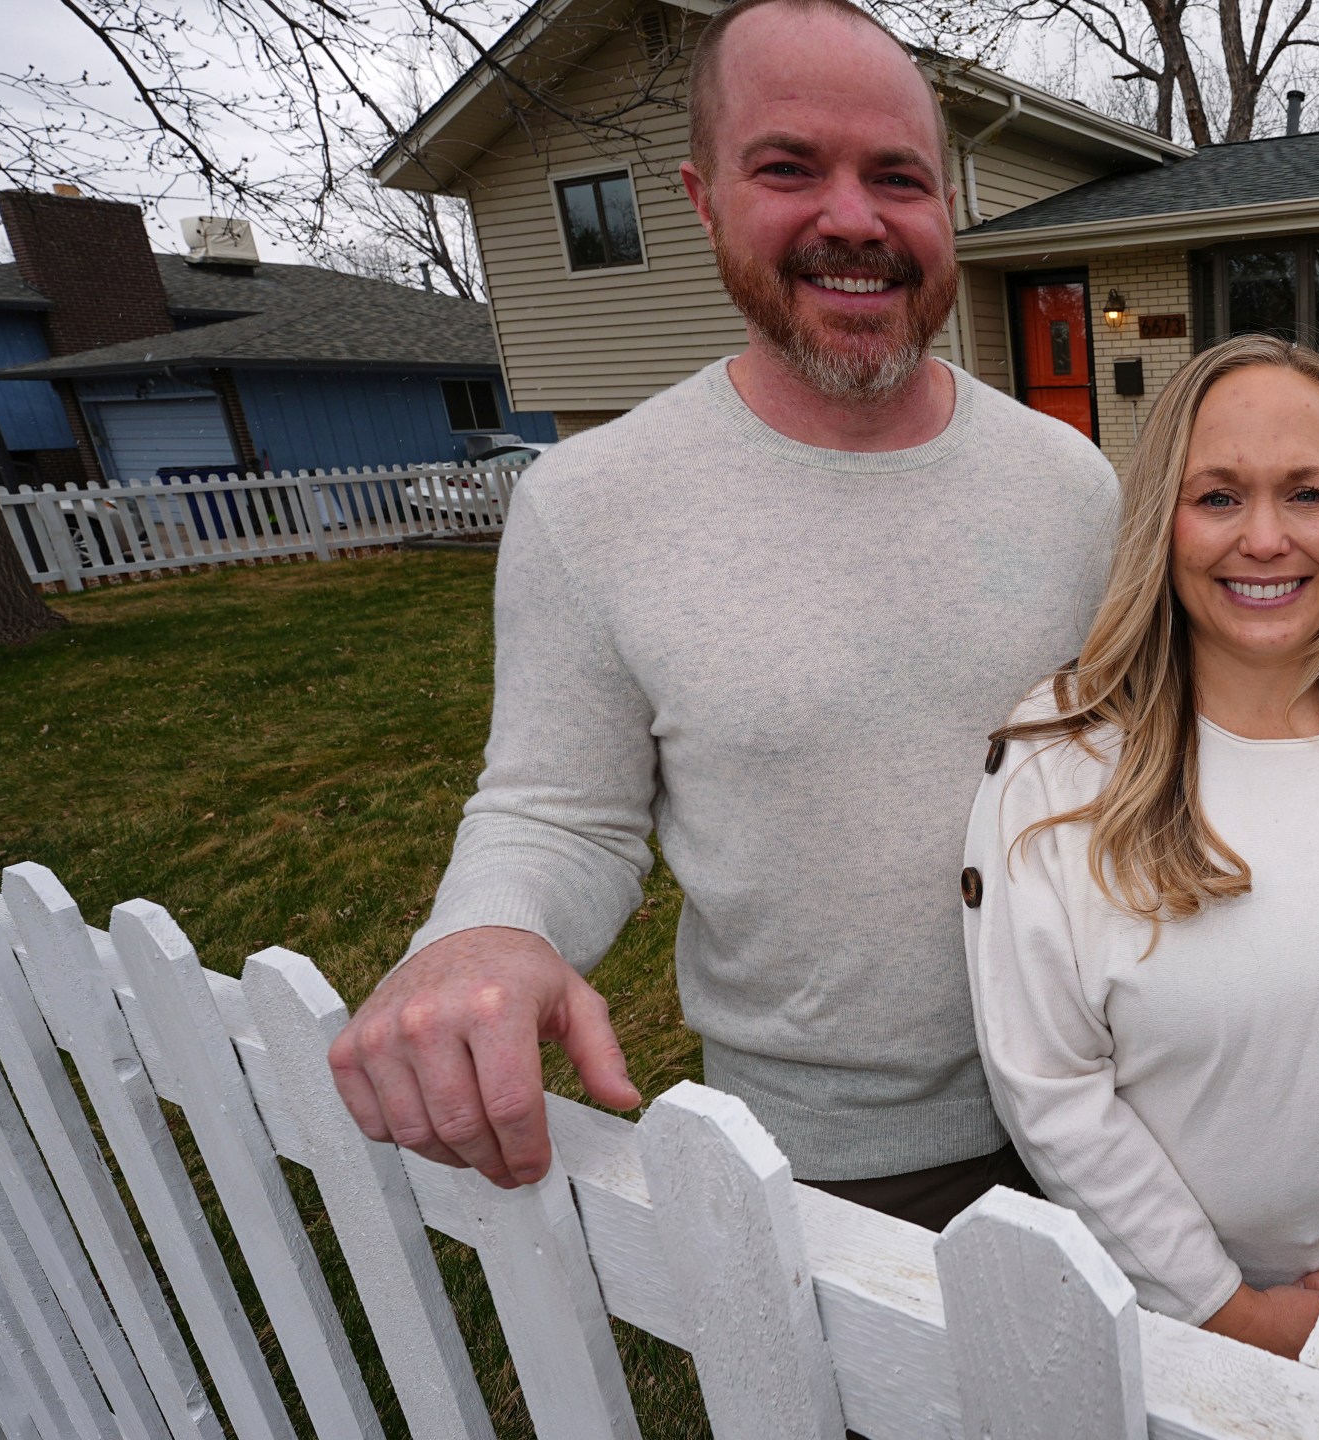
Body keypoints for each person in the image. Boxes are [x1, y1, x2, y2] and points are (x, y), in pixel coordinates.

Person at [324, 0, 1117, 1230]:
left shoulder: (1073, 483)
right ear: (703, 200)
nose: (853, 218)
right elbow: (557, 809)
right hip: (840, 1163)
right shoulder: (587, 506)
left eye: (896, 177)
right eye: (789, 168)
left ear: (945, 206)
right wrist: (484, 930)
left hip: (1120, 1103)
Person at [961, 335, 1319, 1358]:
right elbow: (1045, 1075)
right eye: (1219, 497)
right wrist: (1223, 1307)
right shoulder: (1058, 760)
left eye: (1309, 494)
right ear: (1161, 521)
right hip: (1162, 1323)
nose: (1266, 539)